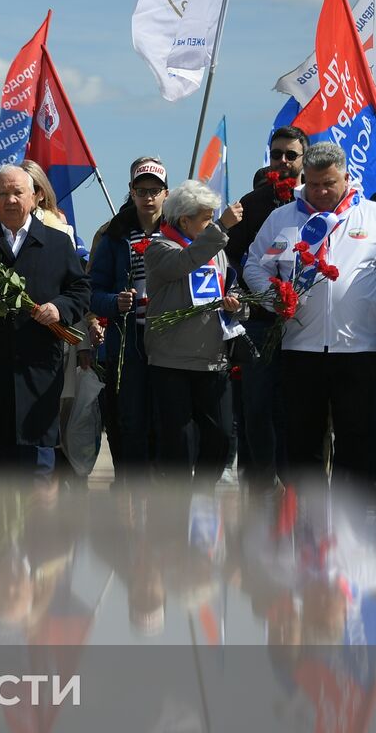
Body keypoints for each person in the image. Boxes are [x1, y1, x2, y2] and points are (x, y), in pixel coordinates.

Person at [243, 141, 376, 484]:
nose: (319, 191)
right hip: (301, 348)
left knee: (356, 438)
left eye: (328, 184)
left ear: (346, 178)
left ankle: (350, 525)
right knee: (302, 440)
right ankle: (308, 523)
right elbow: (253, 266)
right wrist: (276, 297)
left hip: (358, 349)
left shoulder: (370, 217)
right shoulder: (283, 218)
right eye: (313, 184)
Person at [0, 165, 91, 479]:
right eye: (3, 193)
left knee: (39, 474)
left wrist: (59, 308)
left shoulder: (57, 243)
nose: (11, 200)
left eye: (18, 192)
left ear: (34, 197)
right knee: (0, 471)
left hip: (39, 372)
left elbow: (81, 289)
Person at [144, 180, 245, 483]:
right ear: (184, 220)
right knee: (177, 442)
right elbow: (183, 264)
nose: (213, 224)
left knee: (221, 436)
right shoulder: (159, 247)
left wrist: (236, 306)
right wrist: (223, 228)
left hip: (212, 360)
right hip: (171, 361)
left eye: (214, 218)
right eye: (207, 219)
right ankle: (176, 507)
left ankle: (203, 493)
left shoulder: (216, 250)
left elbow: (234, 290)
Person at [227, 125, 307, 486]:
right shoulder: (253, 203)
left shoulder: (314, 200)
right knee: (256, 406)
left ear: (303, 159)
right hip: (259, 320)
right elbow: (227, 258)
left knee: (296, 407)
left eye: (291, 155)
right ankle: (261, 483)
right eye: (277, 155)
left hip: (305, 322)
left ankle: (295, 484)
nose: (284, 162)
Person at [90, 158, 168, 480]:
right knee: (130, 419)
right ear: (131, 192)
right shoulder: (114, 234)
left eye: (154, 190)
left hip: (170, 342)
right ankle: (132, 490)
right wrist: (115, 302)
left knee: (166, 418)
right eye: (141, 190)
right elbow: (92, 291)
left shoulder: (179, 229)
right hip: (129, 343)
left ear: (166, 193)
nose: (148, 197)